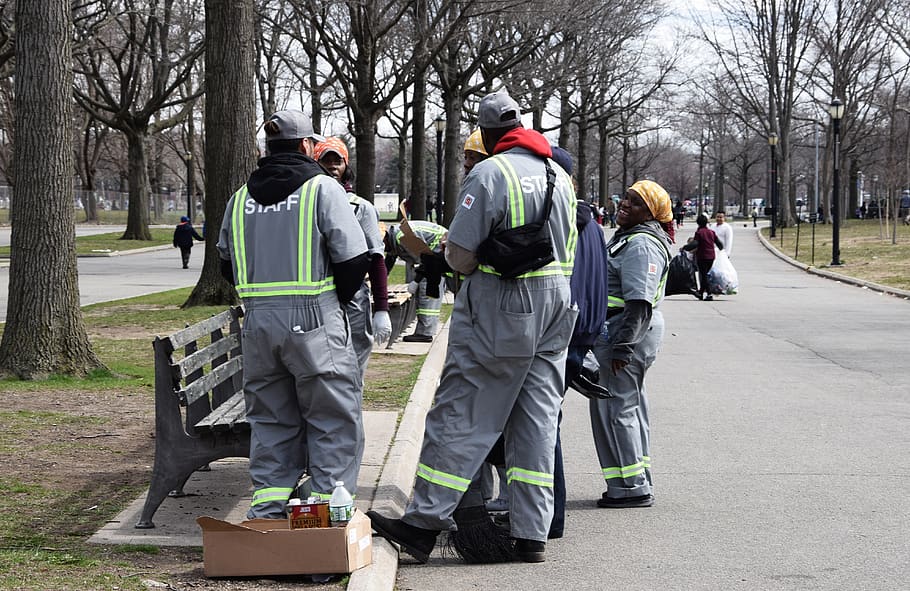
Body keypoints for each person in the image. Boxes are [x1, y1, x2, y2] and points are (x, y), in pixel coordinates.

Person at [367, 91, 578, 564]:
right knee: (536, 420)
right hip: (557, 306)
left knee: (460, 412)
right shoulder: (558, 175)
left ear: (485, 133)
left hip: (503, 306)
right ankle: (531, 533)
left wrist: (453, 256)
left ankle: (422, 524)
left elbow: (459, 255)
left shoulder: (488, 174)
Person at [216, 109, 370, 519]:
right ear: (307, 146)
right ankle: (321, 519)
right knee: (333, 418)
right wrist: (332, 301)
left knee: (271, 420)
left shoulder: (240, 198)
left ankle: (267, 514)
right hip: (315, 319)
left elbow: (226, 264)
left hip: (259, 324)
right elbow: (355, 260)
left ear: (268, 148)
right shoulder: (322, 189)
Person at [591, 180, 674, 509]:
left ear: (650, 213)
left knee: (617, 409)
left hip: (625, 333)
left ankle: (630, 487)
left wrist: (622, 348)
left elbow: (639, 302)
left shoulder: (641, 244)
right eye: (626, 197)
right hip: (625, 332)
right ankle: (636, 478)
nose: (625, 204)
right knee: (628, 406)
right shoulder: (632, 238)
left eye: (636, 202)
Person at [313, 136, 392, 374]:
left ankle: (351, 410)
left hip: (354, 302)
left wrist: (381, 308)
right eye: (325, 160)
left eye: (337, 161)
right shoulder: (307, 205)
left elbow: (376, 258)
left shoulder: (361, 208)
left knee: (353, 367)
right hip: (318, 302)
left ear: (346, 165)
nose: (332, 166)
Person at [383, 220, 448, 343]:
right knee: (424, 290)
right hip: (433, 252)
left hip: (439, 249)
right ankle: (424, 330)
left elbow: (424, 261)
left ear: (385, 238)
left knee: (426, 290)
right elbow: (389, 261)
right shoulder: (394, 238)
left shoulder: (403, 237)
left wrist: (415, 282)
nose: (383, 249)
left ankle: (425, 333)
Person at [682, 213, 724, 301]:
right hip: (711, 257)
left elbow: (695, 243)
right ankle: (700, 293)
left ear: (698, 223)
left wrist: (685, 247)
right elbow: (719, 244)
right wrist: (721, 250)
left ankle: (709, 294)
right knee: (705, 274)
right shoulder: (711, 232)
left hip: (702, 256)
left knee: (704, 275)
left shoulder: (699, 233)